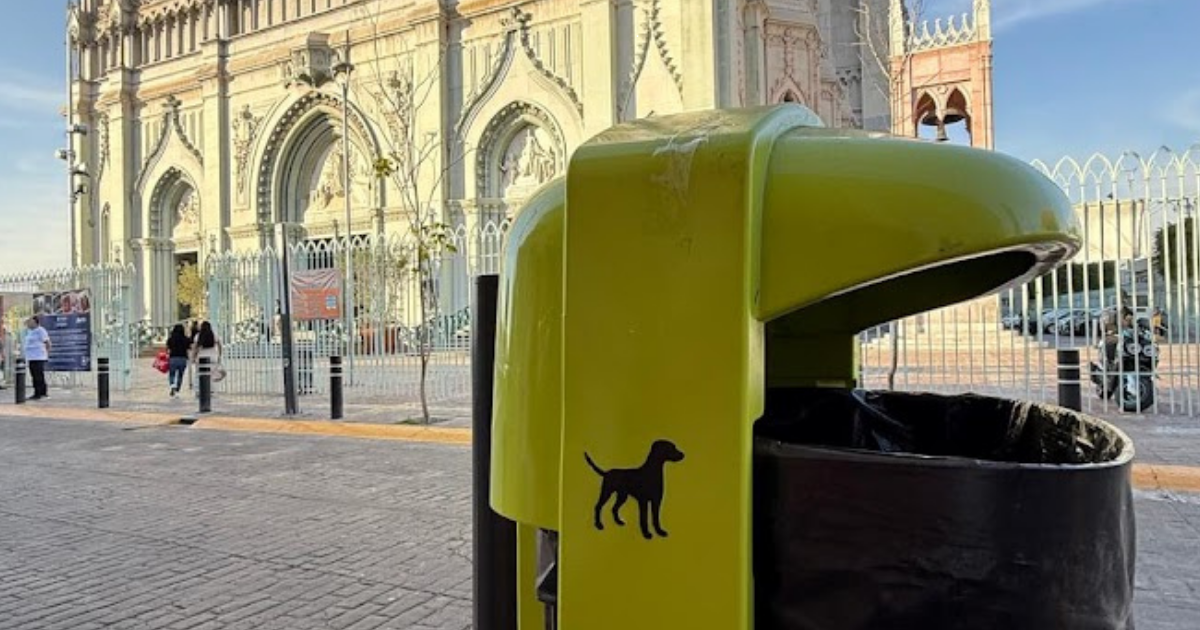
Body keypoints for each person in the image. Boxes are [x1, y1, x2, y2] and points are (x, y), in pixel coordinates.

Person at [23, 317, 51, 400]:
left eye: (30, 322)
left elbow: (48, 343)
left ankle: (39, 393)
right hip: (31, 357)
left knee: (38, 376)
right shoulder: (30, 331)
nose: (28, 323)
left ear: (35, 322)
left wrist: (47, 354)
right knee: (34, 375)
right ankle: (39, 392)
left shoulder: (41, 330)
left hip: (39, 357)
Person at [190, 321, 222, 391]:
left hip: (201, 358)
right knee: (211, 374)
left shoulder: (198, 336)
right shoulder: (214, 335)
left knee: (199, 374)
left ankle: (198, 390)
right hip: (212, 357)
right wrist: (219, 355)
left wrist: (193, 357)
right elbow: (219, 345)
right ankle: (211, 390)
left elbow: (195, 348)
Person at [166, 324, 191, 397]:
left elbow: (167, 348)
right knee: (180, 375)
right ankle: (177, 389)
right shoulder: (185, 339)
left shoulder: (171, 339)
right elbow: (189, 347)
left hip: (173, 358)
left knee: (172, 374)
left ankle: (172, 385)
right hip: (183, 358)